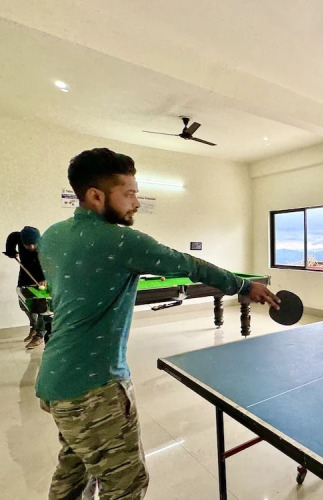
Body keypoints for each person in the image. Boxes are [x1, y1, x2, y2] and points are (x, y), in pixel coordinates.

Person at [36, 148, 280, 499]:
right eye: (129, 193)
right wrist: (243, 286)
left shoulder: (51, 236)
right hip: (95, 387)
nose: (137, 202)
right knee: (126, 484)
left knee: (73, 474)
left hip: (55, 380)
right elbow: (189, 265)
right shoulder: (121, 240)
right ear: (95, 196)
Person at [4, 226, 48, 348]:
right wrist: (11, 251)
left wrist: (46, 278)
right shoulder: (18, 237)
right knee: (24, 305)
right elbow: (12, 237)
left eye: (34, 244)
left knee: (43, 308)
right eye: (28, 245)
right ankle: (34, 327)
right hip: (25, 276)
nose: (32, 247)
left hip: (42, 279)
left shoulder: (46, 245)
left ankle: (39, 335)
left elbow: (53, 264)